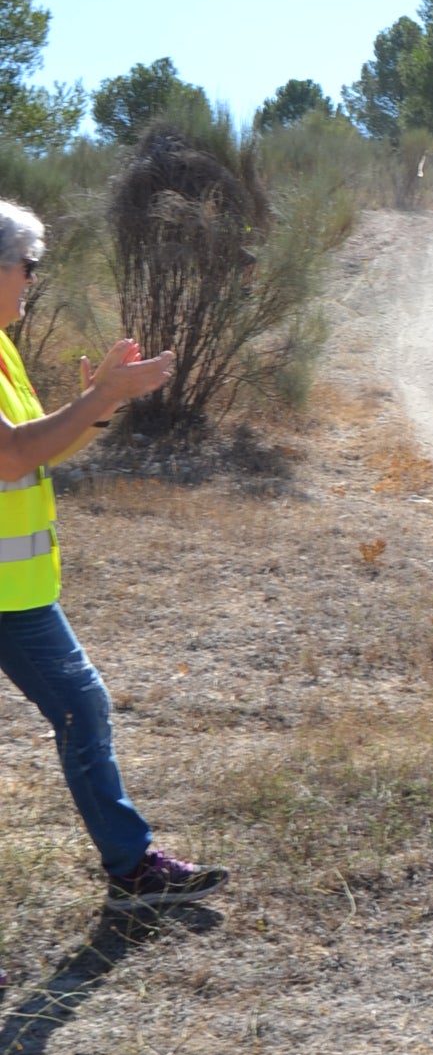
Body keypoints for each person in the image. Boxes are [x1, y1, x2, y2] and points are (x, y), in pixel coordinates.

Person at [0, 200, 228, 989]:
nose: (33, 280)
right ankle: (133, 870)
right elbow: (9, 457)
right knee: (83, 708)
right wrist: (102, 398)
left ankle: (133, 872)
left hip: (17, 591)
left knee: (83, 708)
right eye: (28, 266)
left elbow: (31, 454)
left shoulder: (0, 348)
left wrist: (101, 398)